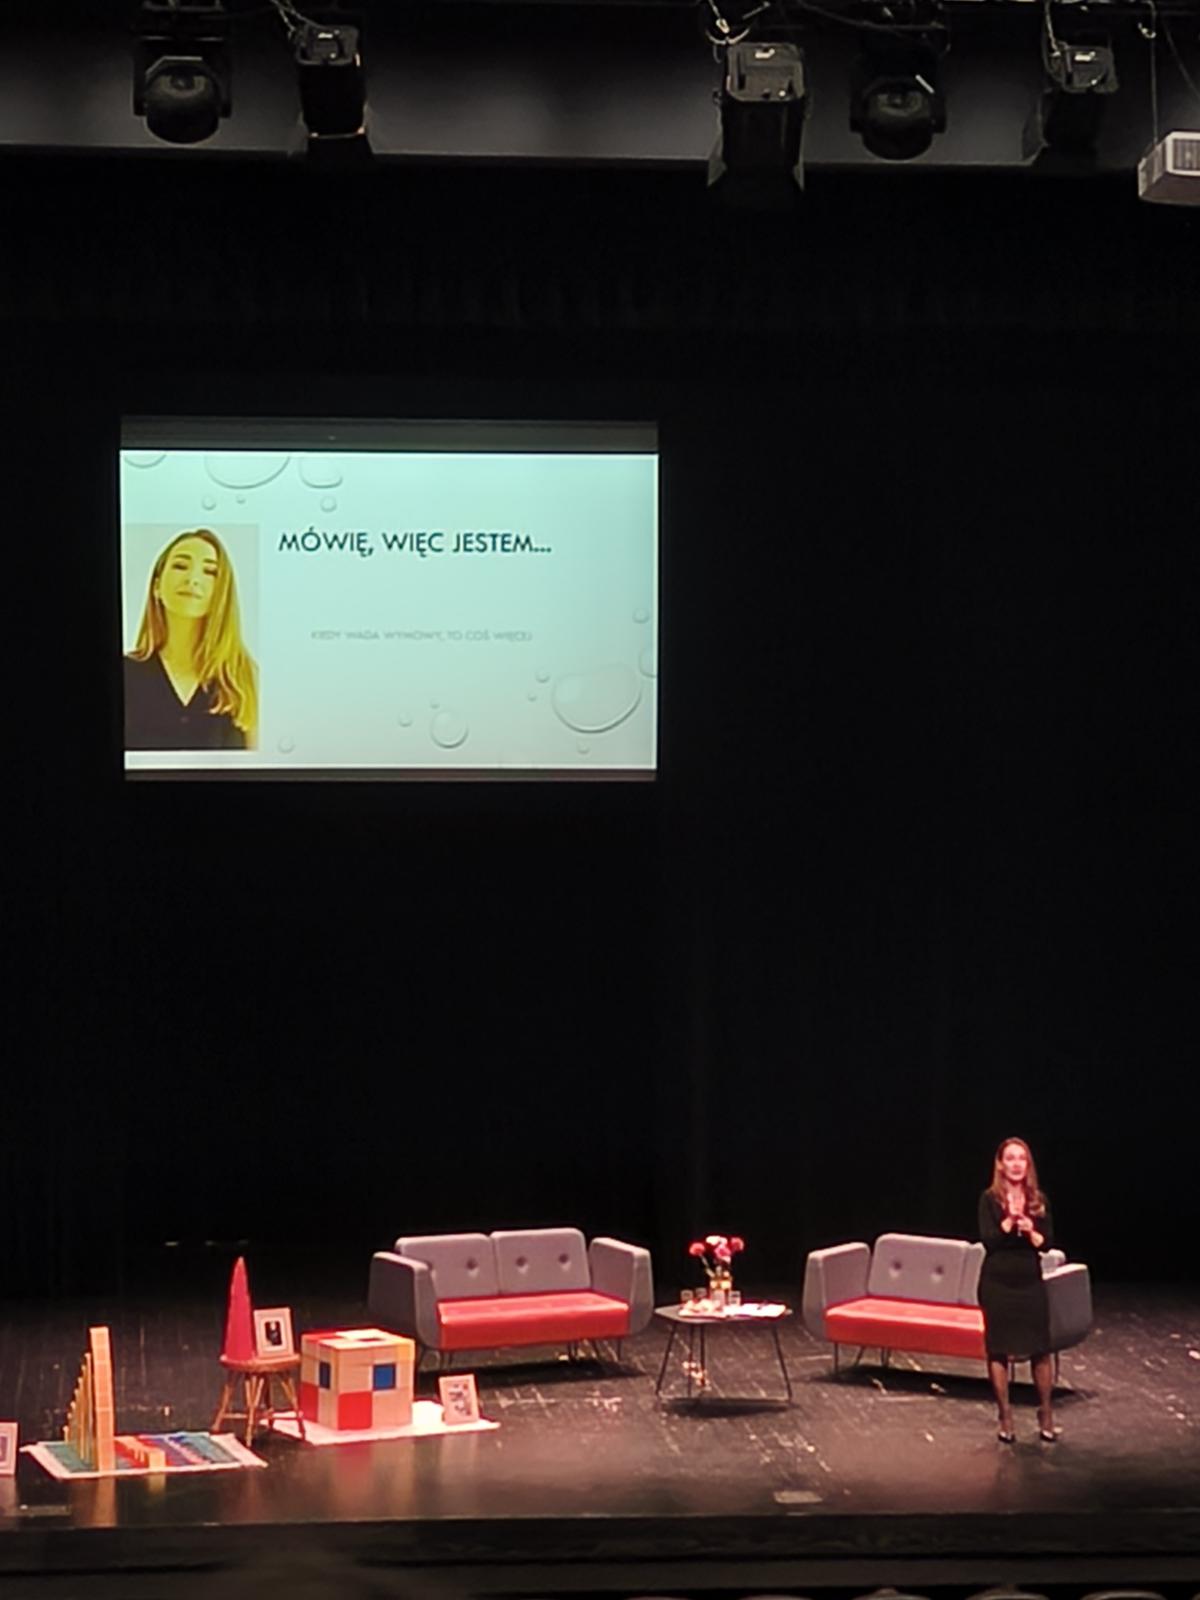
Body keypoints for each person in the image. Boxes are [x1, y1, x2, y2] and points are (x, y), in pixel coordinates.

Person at [124, 528, 257, 750]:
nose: (193, 579)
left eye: (210, 571)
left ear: (221, 592)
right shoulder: (124, 673)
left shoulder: (244, 677)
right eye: (180, 566)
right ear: (156, 586)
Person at [978, 1136, 1056, 1444]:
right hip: (998, 1282)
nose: (1016, 1164)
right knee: (998, 1348)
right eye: (1010, 1158)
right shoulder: (989, 1199)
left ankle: (1046, 1412)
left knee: (1040, 1348)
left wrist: (1031, 1230)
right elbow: (989, 1241)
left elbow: (1046, 1243)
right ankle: (1005, 1415)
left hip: (1029, 1281)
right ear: (1000, 1164)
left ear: (1028, 1164)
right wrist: (1009, 1222)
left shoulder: (1039, 1199)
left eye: (1021, 1158)